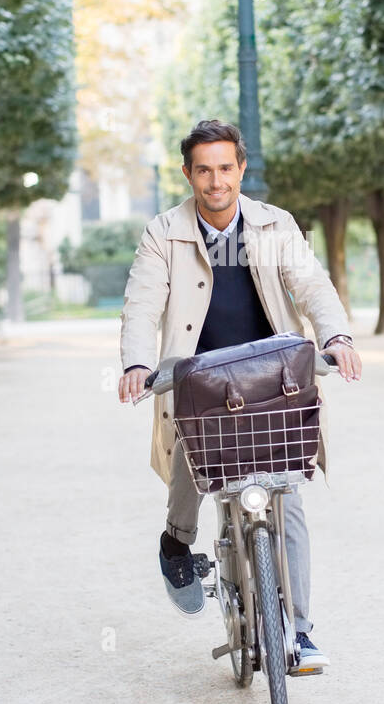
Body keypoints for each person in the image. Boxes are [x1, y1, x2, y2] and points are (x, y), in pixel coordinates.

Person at [118, 119, 361, 669]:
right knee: (189, 446)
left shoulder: (276, 226)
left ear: (241, 169)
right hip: (200, 375)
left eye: (225, 168)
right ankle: (177, 542)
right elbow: (141, 304)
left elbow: (313, 285)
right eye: (203, 170)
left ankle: (299, 632)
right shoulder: (163, 233)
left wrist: (337, 336)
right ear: (188, 174)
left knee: (288, 493)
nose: (215, 180)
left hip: (272, 376)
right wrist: (137, 362)